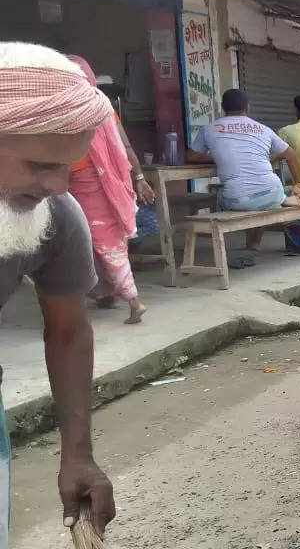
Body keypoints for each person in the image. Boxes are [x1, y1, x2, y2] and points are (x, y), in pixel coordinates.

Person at [0, 40, 118, 545]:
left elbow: (68, 333)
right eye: (39, 165)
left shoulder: (55, 217)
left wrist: (78, 453)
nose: (57, 185)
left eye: (67, 165)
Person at [65, 55, 155, 325]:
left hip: (82, 182)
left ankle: (134, 300)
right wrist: (139, 176)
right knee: (101, 240)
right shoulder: (103, 104)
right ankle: (107, 293)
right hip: (111, 181)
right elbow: (125, 146)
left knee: (100, 242)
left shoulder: (64, 106)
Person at [185, 89, 300, 251]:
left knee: (222, 194)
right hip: (272, 191)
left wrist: (216, 156)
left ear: (223, 107)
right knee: (260, 197)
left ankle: (215, 245)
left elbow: (190, 157)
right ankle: (255, 241)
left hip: (237, 199)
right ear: (248, 107)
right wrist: (298, 184)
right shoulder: (263, 129)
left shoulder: (209, 129)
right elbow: (293, 156)